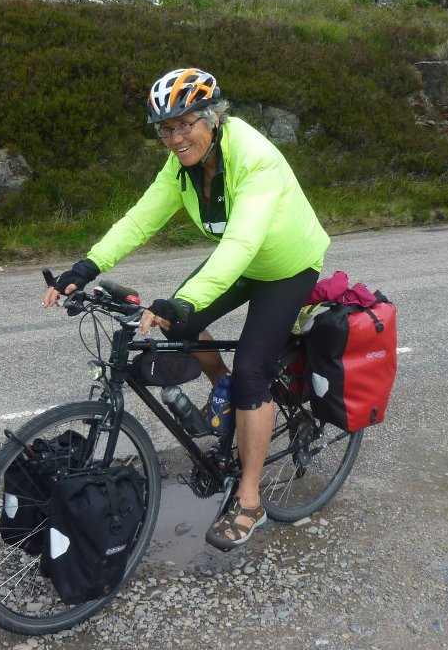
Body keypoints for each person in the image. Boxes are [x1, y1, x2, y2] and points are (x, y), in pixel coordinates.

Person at [42, 67, 330, 550]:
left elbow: (241, 242)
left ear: (213, 119)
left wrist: (184, 298)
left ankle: (251, 499)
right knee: (187, 329)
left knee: (252, 371)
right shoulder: (181, 167)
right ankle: (229, 395)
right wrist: (86, 267)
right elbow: (139, 220)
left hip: (286, 266)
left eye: (186, 124)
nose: (175, 138)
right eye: (166, 129)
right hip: (241, 262)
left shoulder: (255, 159)